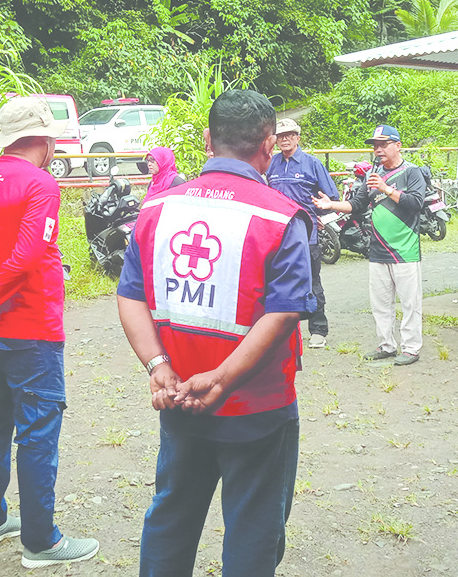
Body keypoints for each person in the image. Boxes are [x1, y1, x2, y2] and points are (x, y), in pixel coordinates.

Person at [118, 89, 315, 577]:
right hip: (258, 408)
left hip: (178, 397)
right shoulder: (279, 217)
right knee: (254, 526)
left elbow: (130, 295)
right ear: (269, 144)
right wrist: (225, 378)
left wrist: (158, 366)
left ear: (208, 140)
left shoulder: (155, 210)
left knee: (172, 514)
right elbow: (284, 313)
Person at [0, 97, 100, 568]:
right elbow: (27, 256)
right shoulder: (42, 184)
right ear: (46, 142)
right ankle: (41, 540)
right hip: (30, 325)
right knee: (39, 429)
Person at [313, 125, 426, 366]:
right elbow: (356, 204)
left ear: (398, 145)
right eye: (375, 145)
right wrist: (331, 204)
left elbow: (416, 203)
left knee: (409, 303)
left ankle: (411, 347)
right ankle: (386, 345)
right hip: (377, 250)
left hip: (405, 250)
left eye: (383, 144)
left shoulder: (412, 172)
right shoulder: (372, 175)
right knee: (380, 303)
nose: (378, 149)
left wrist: (386, 189)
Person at [266, 118, 339, 349]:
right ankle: (282, 332)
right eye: (280, 136)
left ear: (298, 138)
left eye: (290, 135)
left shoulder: (312, 164)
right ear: (275, 140)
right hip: (277, 237)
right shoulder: (270, 164)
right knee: (277, 282)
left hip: (307, 237)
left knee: (311, 282)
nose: (285, 139)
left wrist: (319, 216)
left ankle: (318, 329)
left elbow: (331, 198)